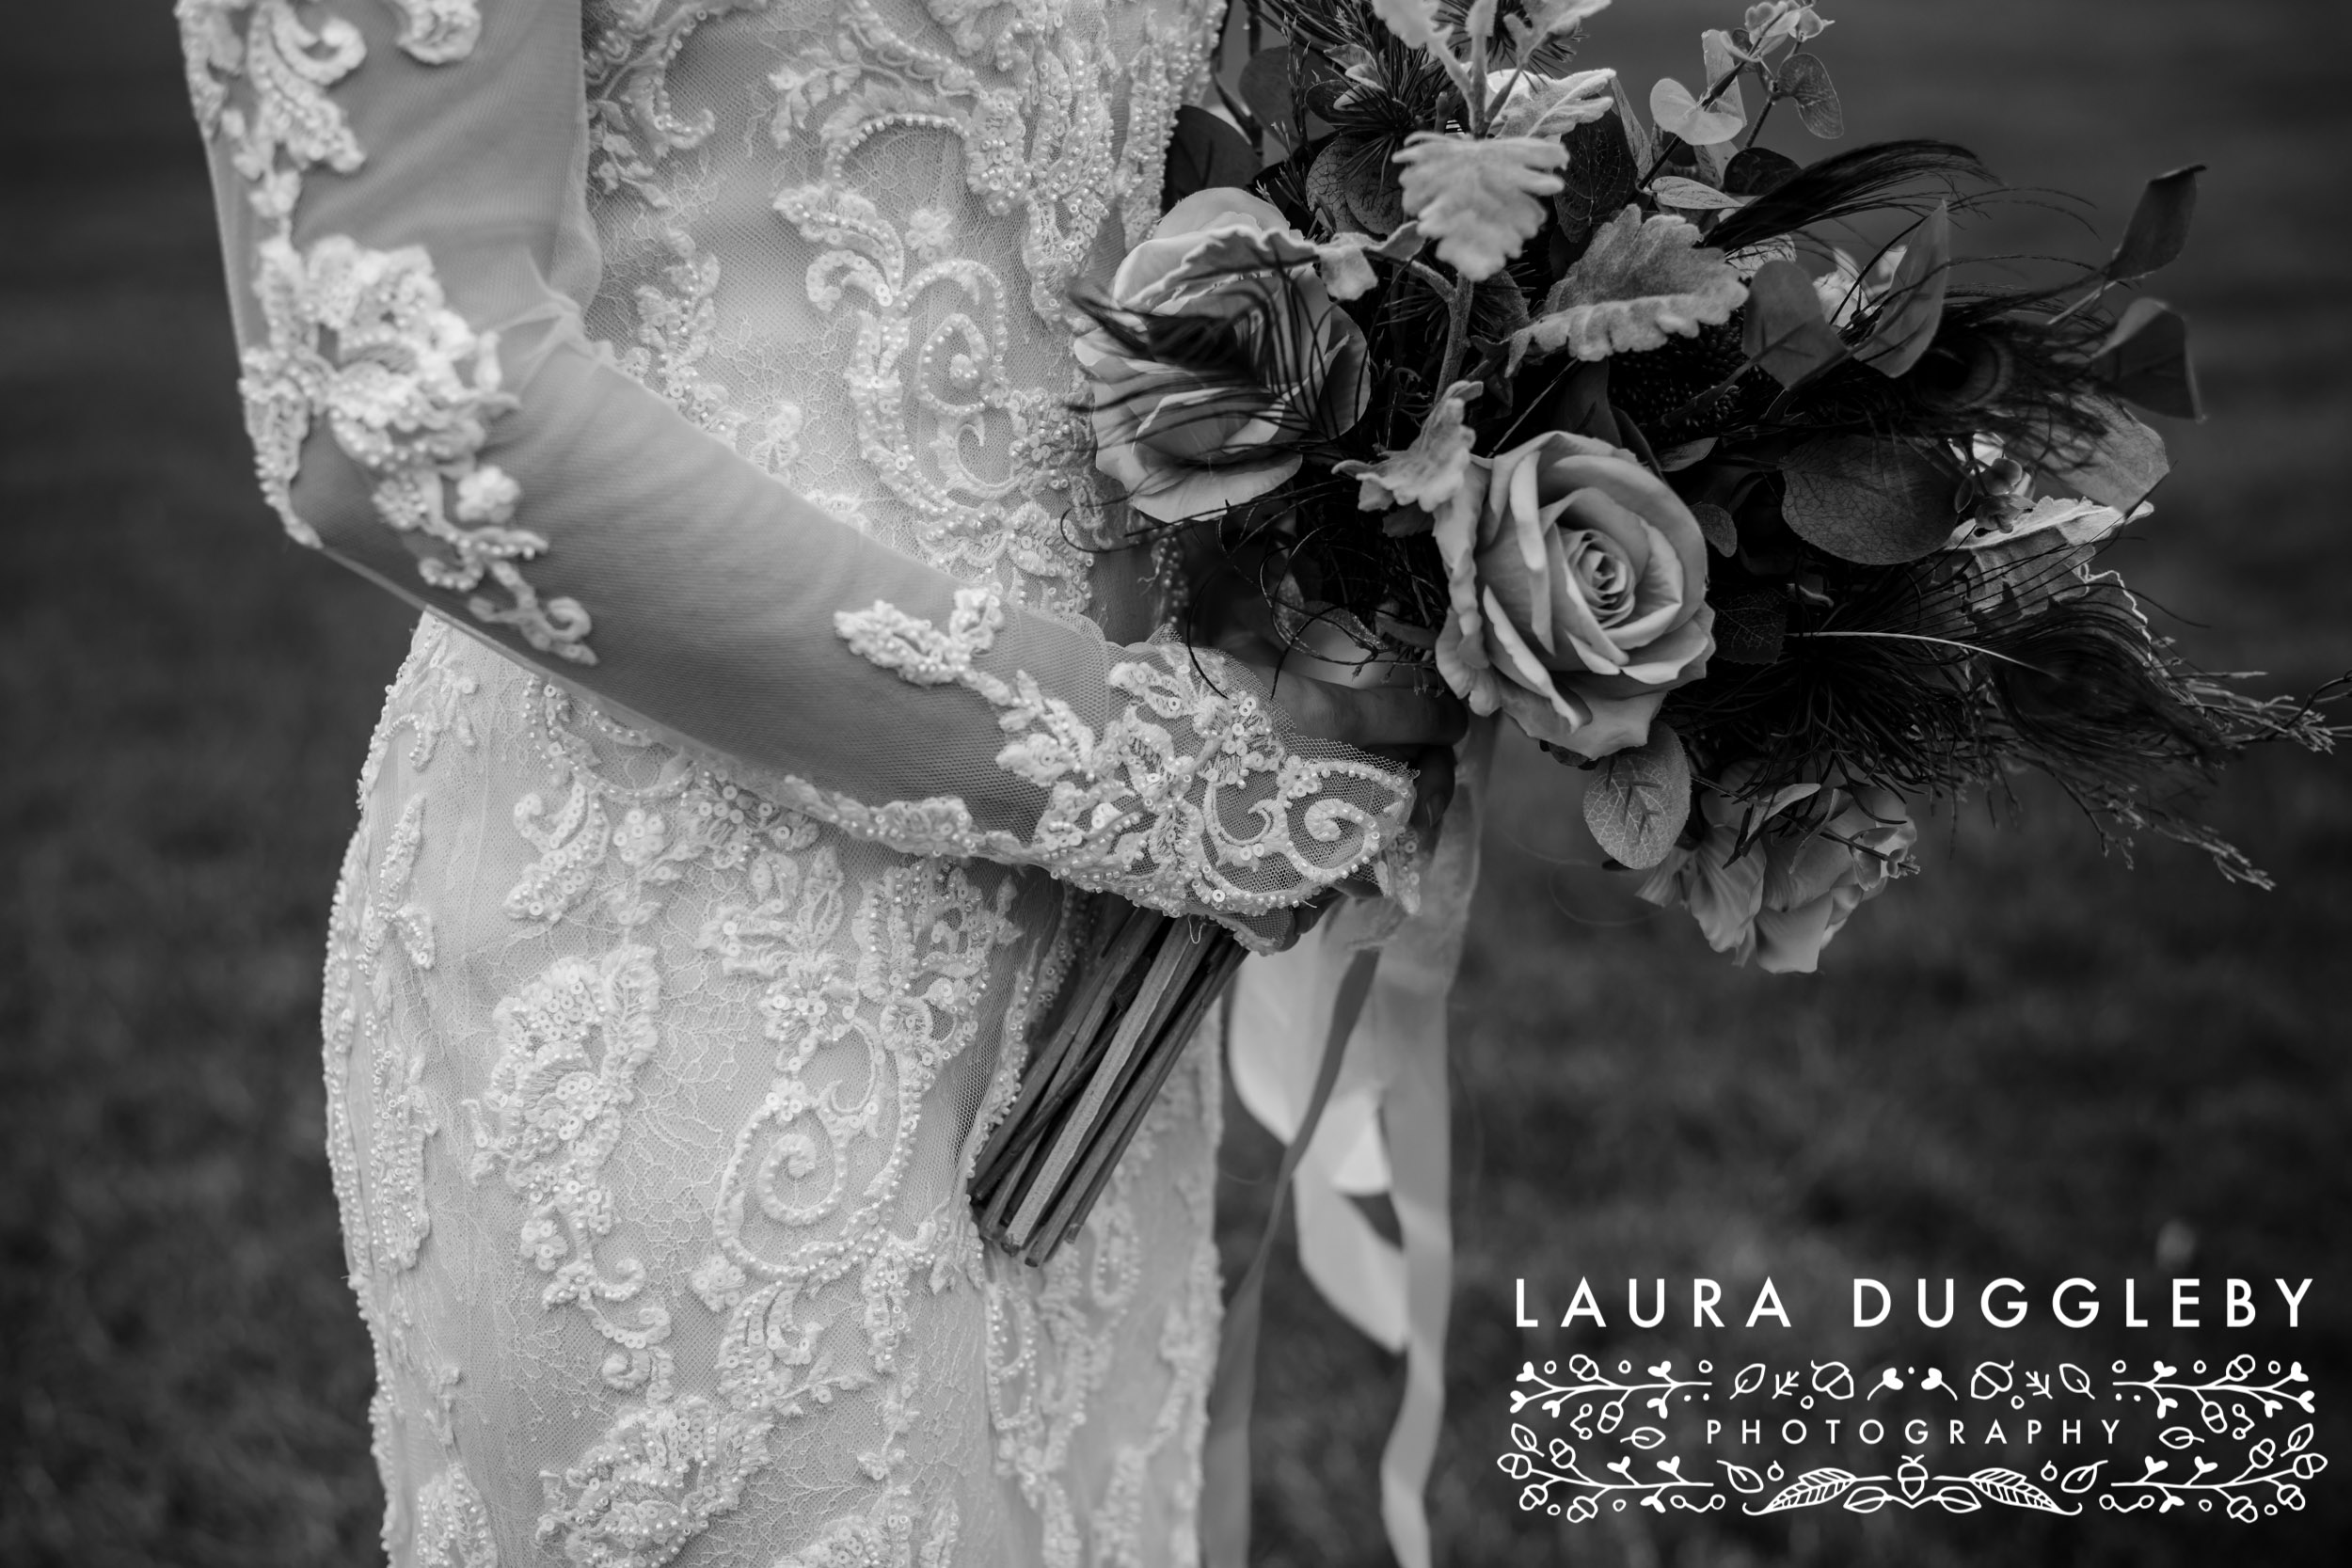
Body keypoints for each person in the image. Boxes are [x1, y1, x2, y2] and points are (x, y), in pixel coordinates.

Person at [175, 2, 1461, 1563]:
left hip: (1093, 976)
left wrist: (1352, 595)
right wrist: (1146, 771)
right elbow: (409, 411)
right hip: (693, 965)